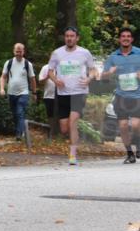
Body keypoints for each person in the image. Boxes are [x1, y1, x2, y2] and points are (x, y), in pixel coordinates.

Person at [47, 26, 97, 166]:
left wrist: (88, 79)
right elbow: (50, 71)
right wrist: (56, 80)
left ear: (77, 38)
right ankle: (75, 138)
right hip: (63, 93)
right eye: (67, 36)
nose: (69, 38)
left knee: (72, 121)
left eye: (72, 36)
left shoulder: (84, 53)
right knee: (64, 128)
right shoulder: (57, 53)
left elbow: (93, 70)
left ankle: (72, 155)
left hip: (79, 92)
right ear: (65, 38)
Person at [100, 27, 140, 163]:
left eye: (128, 36)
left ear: (132, 39)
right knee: (123, 126)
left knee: (135, 125)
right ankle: (130, 153)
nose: (126, 38)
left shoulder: (139, 53)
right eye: (123, 36)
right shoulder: (113, 57)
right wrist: (110, 72)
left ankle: (139, 145)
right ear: (119, 39)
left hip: (137, 95)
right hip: (121, 96)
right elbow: (103, 77)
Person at [0, 43, 36, 140]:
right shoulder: (9, 63)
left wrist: (34, 92)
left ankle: (19, 135)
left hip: (23, 92)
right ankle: (21, 131)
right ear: (13, 51)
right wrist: (2, 88)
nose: (18, 53)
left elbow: (32, 79)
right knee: (15, 114)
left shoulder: (28, 64)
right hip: (11, 93)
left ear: (24, 52)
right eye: (17, 51)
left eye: (20, 52)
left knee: (20, 112)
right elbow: (3, 77)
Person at [36, 61, 58, 139]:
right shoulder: (45, 68)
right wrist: (48, 77)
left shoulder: (63, 68)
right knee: (50, 115)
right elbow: (40, 82)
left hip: (61, 96)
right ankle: (50, 133)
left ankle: (59, 133)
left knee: (61, 114)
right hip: (49, 95)